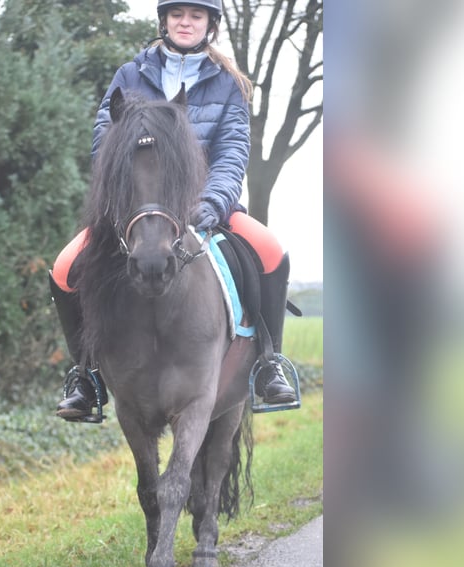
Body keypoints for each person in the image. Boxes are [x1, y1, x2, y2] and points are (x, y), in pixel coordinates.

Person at [49, 0, 296, 421]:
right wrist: (122, 200)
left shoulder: (226, 83)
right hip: (136, 208)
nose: (186, 22)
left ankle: (268, 363)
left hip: (203, 205)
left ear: (210, 25)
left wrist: (212, 202)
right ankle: (86, 375)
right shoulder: (129, 76)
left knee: (272, 252)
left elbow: (233, 150)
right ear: (164, 21)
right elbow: (104, 143)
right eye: (178, 14)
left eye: (196, 15)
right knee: (63, 268)